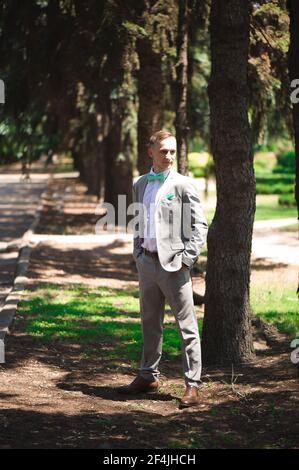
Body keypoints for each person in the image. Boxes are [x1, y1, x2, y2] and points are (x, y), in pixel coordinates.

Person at [117, 130, 208, 407]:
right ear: (151, 152)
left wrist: (186, 259)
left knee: (187, 327)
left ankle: (192, 385)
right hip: (147, 262)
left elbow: (199, 226)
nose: (169, 156)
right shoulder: (140, 183)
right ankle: (148, 376)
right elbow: (137, 219)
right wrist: (137, 252)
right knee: (149, 322)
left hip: (174, 266)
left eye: (172, 151)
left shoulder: (183, 185)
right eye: (163, 151)